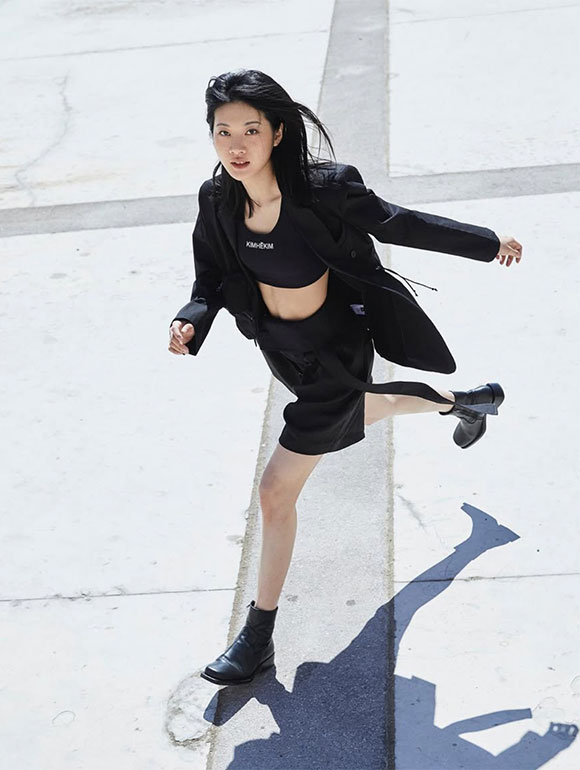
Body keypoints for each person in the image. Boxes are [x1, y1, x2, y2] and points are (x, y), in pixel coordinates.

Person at [167, 69, 523, 687]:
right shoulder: (217, 198)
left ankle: (258, 636)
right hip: (284, 353)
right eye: (223, 132)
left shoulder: (324, 190)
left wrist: (487, 242)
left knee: (276, 491)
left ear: (277, 132)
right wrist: (191, 319)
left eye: (250, 130)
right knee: (367, 410)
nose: (236, 145)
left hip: (336, 350)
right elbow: (210, 277)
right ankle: (466, 403)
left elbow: (398, 222)